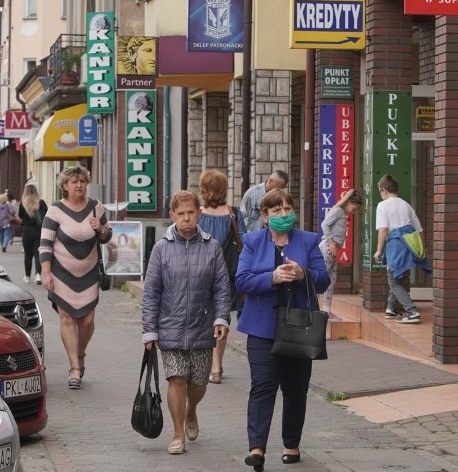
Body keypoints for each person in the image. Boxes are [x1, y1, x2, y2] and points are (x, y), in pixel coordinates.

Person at [235, 188, 329, 471]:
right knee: (263, 386)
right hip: (262, 328)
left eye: (288, 209)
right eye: (276, 211)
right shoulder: (252, 242)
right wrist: (271, 278)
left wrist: (303, 275)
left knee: (295, 389)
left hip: (299, 328)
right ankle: (257, 449)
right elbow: (241, 281)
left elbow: (322, 279)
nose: (283, 214)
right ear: (264, 217)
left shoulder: (309, 240)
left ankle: (291, 444)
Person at [141, 190, 230, 456]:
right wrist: (149, 330)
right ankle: (178, 433)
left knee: (198, 383)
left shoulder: (211, 247)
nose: (186, 218)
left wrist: (221, 317)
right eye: (180, 214)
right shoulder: (162, 248)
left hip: (202, 324)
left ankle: (192, 409)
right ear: (172, 216)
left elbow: (222, 287)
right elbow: (151, 291)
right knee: (177, 379)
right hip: (170, 324)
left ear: (199, 213)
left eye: (191, 212)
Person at [39, 165, 112, 390]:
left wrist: (100, 229)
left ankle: (80, 353)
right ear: (64, 186)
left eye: (82, 181)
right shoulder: (56, 210)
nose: (79, 185)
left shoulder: (95, 208)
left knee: (88, 321)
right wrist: (46, 271)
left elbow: (107, 236)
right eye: (74, 182)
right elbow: (45, 243)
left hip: (89, 273)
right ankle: (74, 368)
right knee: (67, 319)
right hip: (61, 273)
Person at [196, 169, 246, 385]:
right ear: (223, 189)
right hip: (229, 273)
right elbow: (244, 242)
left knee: (206, 317)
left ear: (204, 190)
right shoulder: (234, 214)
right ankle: (217, 365)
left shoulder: (197, 214)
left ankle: (209, 363)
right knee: (222, 317)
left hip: (201, 274)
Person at [373, 174, 432, 324]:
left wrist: (379, 250)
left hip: (396, 245)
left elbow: (383, 230)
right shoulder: (406, 205)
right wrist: (422, 249)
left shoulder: (383, 206)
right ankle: (391, 309)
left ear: (384, 190)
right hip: (409, 245)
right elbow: (419, 230)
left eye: (380, 190)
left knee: (393, 281)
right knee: (400, 277)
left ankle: (412, 312)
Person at [318, 188, 363, 318]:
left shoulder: (341, 213)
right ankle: (314, 307)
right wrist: (331, 242)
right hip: (328, 247)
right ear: (349, 203)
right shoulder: (338, 211)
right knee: (322, 278)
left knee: (331, 280)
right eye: (353, 208)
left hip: (333, 249)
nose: (353, 212)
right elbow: (324, 224)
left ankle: (326, 310)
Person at [19, 181, 48, 285]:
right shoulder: (41, 203)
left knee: (28, 254)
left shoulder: (23, 204)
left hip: (26, 230)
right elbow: (46, 215)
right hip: (38, 230)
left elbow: (20, 216)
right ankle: (38, 275)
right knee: (37, 254)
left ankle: (27, 276)